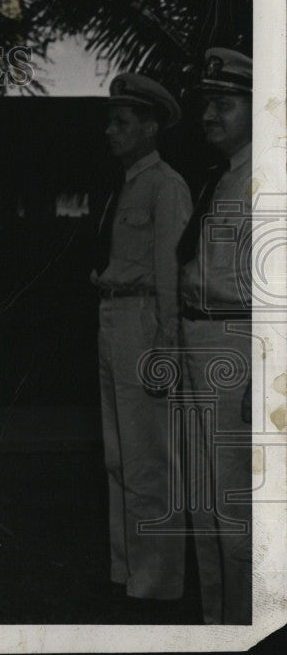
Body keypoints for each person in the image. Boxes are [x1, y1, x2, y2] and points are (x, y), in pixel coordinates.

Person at [90, 73, 191, 604]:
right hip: (113, 320)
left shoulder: (165, 185)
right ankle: (126, 571)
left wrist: (166, 347)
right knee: (118, 456)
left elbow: (170, 272)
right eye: (111, 120)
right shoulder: (128, 183)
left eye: (122, 122)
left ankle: (156, 584)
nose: (111, 130)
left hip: (143, 325)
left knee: (149, 456)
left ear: (151, 127)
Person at [177, 47, 253, 624]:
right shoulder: (222, 178)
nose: (210, 116)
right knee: (202, 501)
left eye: (224, 104)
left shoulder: (267, 180)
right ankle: (217, 626)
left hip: (238, 347)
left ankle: (250, 623)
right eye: (207, 104)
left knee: (237, 506)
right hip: (199, 342)